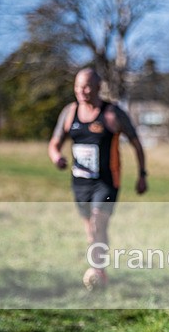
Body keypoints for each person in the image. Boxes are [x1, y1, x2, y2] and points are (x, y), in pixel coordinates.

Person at [47, 68, 147, 289]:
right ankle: (100, 269)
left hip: (107, 181)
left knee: (97, 223)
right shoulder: (70, 113)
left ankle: (96, 270)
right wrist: (57, 158)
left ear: (98, 87)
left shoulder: (112, 114)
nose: (81, 91)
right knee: (91, 230)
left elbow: (136, 143)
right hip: (80, 183)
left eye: (86, 86)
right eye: (77, 87)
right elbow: (54, 144)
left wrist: (142, 174)